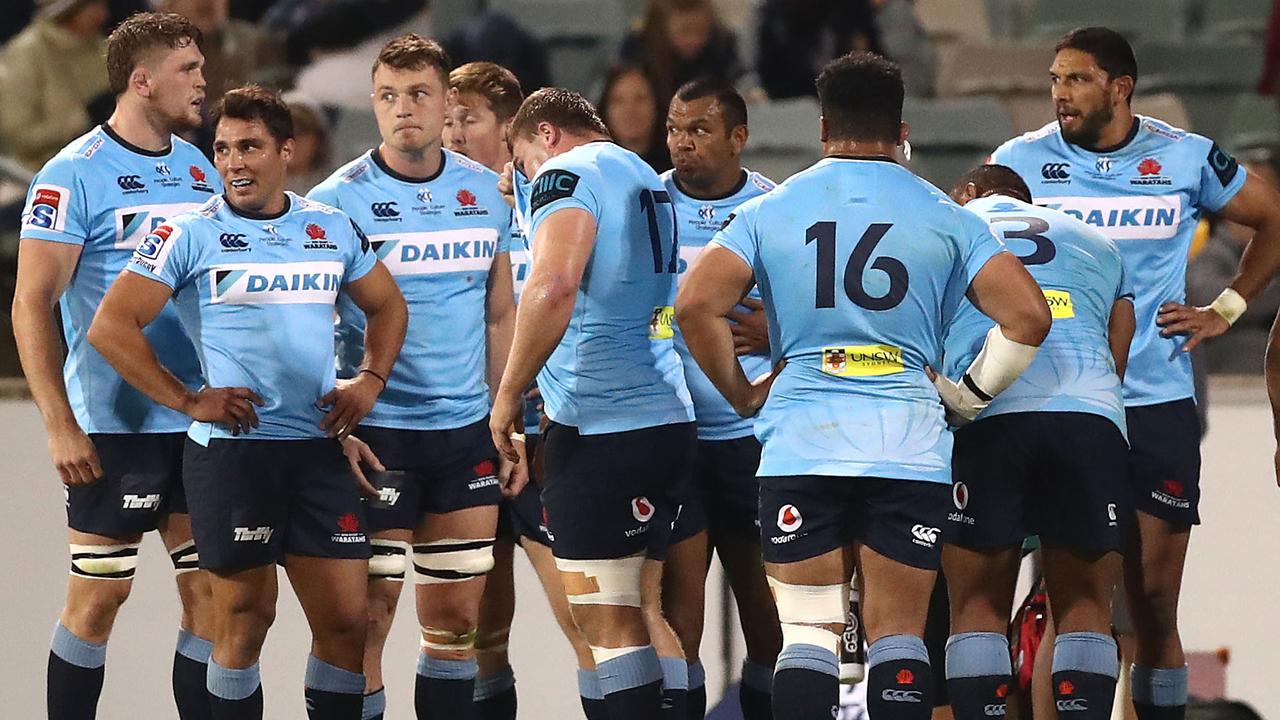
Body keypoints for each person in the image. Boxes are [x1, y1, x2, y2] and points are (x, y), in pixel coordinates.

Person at [675, 52, 1051, 720]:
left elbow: (696, 303)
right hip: (906, 442)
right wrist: (967, 396)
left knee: (809, 638)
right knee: (900, 637)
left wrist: (742, 393)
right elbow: (1028, 316)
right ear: (902, 129)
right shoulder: (945, 214)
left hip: (802, 438)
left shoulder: (775, 207)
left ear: (823, 129)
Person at [88, 84, 408, 720]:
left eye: (250, 147)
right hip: (234, 459)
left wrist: (369, 380)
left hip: (317, 454)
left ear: (286, 151)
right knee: (245, 622)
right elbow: (111, 325)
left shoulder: (330, 227)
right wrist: (187, 399)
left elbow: (388, 305)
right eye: (223, 148)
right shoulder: (188, 235)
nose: (232, 161)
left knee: (348, 625)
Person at [990, 28, 1280, 720]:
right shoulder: (1021, 162)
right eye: (1055, 79)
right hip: (1058, 402)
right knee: (1068, 604)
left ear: (1120, 88)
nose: (1060, 93)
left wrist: (1226, 309)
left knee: (1151, 607)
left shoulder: (1183, 158)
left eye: (1077, 80)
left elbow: (1272, 217)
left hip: (1155, 400)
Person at [306, 35, 522, 720]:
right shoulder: (334, 201)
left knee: (456, 622)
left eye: (420, 94)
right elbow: (308, 322)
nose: (404, 109)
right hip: (377, 437)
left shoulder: (488, 194)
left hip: (462, 437)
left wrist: (503, 415)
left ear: (445, 102)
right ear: (373, 103)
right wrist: (333, 422)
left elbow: (499, 315)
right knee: (365, 621)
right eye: (389, 96)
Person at [11, 12, 219, 720]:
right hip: (114, 421)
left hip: (198, 417)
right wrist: (60, 425)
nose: (202, 81)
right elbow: (30, 305)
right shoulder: (72, 174)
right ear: (142, 80)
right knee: (101, 595)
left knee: (210, 598)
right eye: (187, 69)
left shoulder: (199, 168)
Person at [489, 87, 697, 720]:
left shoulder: (563, 171)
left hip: (602, 422)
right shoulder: (639, 172)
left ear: (547, 135)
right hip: (666, 416)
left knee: (605, 622)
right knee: (647, 608)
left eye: (525, 160)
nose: (529, 176)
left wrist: (506, 397)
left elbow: (553, 285)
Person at [940, 164, 1136, 720]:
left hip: (989, 412)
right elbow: (1118, 352)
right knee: (1086, 607)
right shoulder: (1097, 241)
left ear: (971, 192)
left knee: (977, 605)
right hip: (1089, 418)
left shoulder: (951, 222)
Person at [443, 59, 598, 720]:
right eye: (446, 121)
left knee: (588, 620)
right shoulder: (443, 211)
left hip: (546, 434)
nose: (451, 135)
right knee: (479, 631)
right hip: (466, 442)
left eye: (467, 121)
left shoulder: (559, 202)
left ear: (510, 128)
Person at [659, 77, 780, 720]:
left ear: (738, 137)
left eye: (699, 130)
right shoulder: (647, 204)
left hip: (751, 439)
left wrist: (775, 331)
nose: (682, 143)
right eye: (675, 129)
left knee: (770, 625)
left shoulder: (776, 207)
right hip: (675, 435)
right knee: (680, 620)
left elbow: (821, 308)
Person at [0, 0, 112, 171]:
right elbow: (19, 139)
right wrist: (82, 119)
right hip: (38, 171)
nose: (103, 14)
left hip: (102, 161)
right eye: (93, 6)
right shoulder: (24, 56)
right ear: (68, 11)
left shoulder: (99, 46)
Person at [618, 0, 744, 107]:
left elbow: (739, 79)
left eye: (701, 30)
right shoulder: (637, 47)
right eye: (684, 31)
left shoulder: (721, 43)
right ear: (663, 27)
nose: (694, 40)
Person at [598, 65, 672, 174]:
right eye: (618, 101)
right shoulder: (591, 170)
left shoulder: (677, 168)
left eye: (640, 98)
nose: (630, 110)